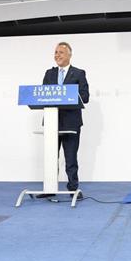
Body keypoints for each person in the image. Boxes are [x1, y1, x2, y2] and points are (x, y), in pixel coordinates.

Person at [40, 42, 89, 199]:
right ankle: (49, 188)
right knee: (51, 158)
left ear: (69, 55)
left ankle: (73, 189)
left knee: (70, 158)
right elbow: (42, 95)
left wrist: (68, 94)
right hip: (51, 121)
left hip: (71, 122)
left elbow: (85, 97)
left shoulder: (79, 73)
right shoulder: (49, 74)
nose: (57, 55)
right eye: (55, 52)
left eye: (61, 52)